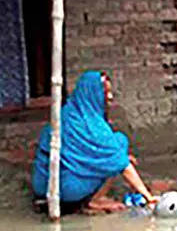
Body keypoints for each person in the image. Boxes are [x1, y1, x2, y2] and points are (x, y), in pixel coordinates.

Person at [31, 71, 157, 215]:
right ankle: (96, 200)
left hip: (43, 185)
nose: (110, 97)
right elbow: (123, 166)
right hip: (68, 189)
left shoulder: (63, 115)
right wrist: (148, 197)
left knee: (115, 153)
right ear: (93, 95)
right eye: (105, 92)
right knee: (120, 143)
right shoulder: (94, 128)